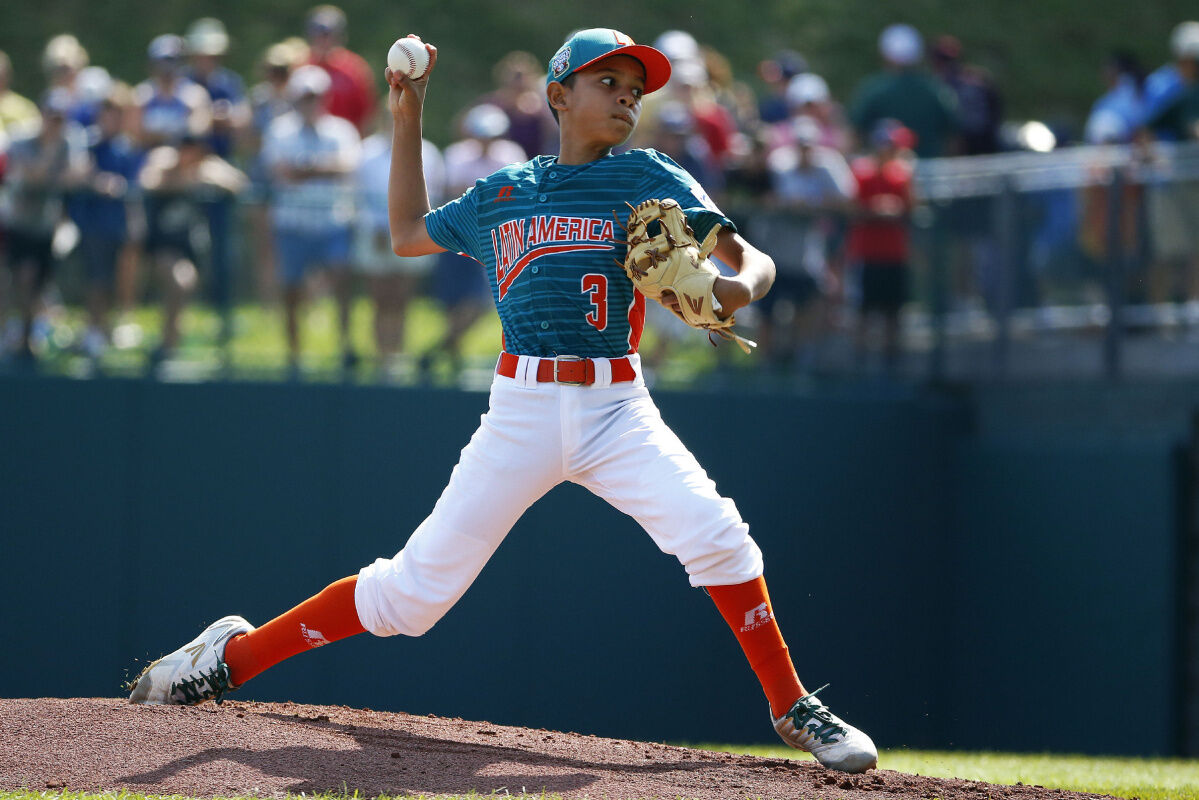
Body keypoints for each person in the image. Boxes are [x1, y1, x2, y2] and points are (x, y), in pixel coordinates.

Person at [126, 29, 878, 775]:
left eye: (633, 88)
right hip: (520, 409)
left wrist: (735, 288)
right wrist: (406, 116)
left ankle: (790, 706)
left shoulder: (647, 173)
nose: (624, 96)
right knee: (411, 599)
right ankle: (231, 657)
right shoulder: (500, 194)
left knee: (718, 536)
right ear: (558, 95)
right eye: (606, 82)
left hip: (617, 407)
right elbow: (405, 232)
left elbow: (753, 259)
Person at [261, 64, 361, 375]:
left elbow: (346, 167)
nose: (310, 102)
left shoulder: (342, 130)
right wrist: (322, 169)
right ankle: (294, 356)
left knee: (342, 280)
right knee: (290, 290)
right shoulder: (279, 130)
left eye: (315, 96)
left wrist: (305, 169)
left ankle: (345, 347)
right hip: (292, 223)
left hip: (332, 223)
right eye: (304, 97)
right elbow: (281, 172)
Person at [353, 100, 445, 376]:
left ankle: (396, 358)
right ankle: (384, 359)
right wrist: (379, 227)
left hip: (414, 232)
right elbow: (357, 196)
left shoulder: (427, 152)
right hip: (374, 235)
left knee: (403, 298)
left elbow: (434, 194)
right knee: (381, 298)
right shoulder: (365, 153)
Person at [1, 89, 89, 364]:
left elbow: (78, 175)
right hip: (15, 224)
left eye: (61, 117)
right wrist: (52, 157)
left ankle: (27, 341)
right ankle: (13, 338)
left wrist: (51, 169)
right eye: (52, 115)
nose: (56, 121)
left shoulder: (72, 140)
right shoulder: (20, 138)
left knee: (38, 286)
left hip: (47, 226)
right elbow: (32, 175)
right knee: (14, 281)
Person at [74, 86, 142, 363]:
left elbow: (136, 186)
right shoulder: (86, 144)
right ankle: (93, 330)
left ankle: (116, 328)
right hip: (92, 224)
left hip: (119, 224)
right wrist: (97, 181)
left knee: (121, 279)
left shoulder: (127, 149)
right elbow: (79, 172)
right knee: (96, 279)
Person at [848, 119, 916, 372]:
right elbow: (852, 207)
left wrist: (894, 209)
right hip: (867, 254)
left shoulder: (902, 175)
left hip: (895, 254)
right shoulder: (862, 172)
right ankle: (860, 365)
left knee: (893, 313)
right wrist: (877, 208)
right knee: (864, 311)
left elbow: (911, 207)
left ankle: (892, 365)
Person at [848, 24, 958, 159]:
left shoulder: (874, 90)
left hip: (889, 174)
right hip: (932, 172)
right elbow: (954, 136)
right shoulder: (936, 89)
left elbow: (855, 133)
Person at [304, 4, 376, 135]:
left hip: (346, 146)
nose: (323, 40)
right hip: (305, 146)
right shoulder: (302, 66)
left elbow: (366, 115)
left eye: (328, 34)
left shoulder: (355, 68)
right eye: (318, 34)